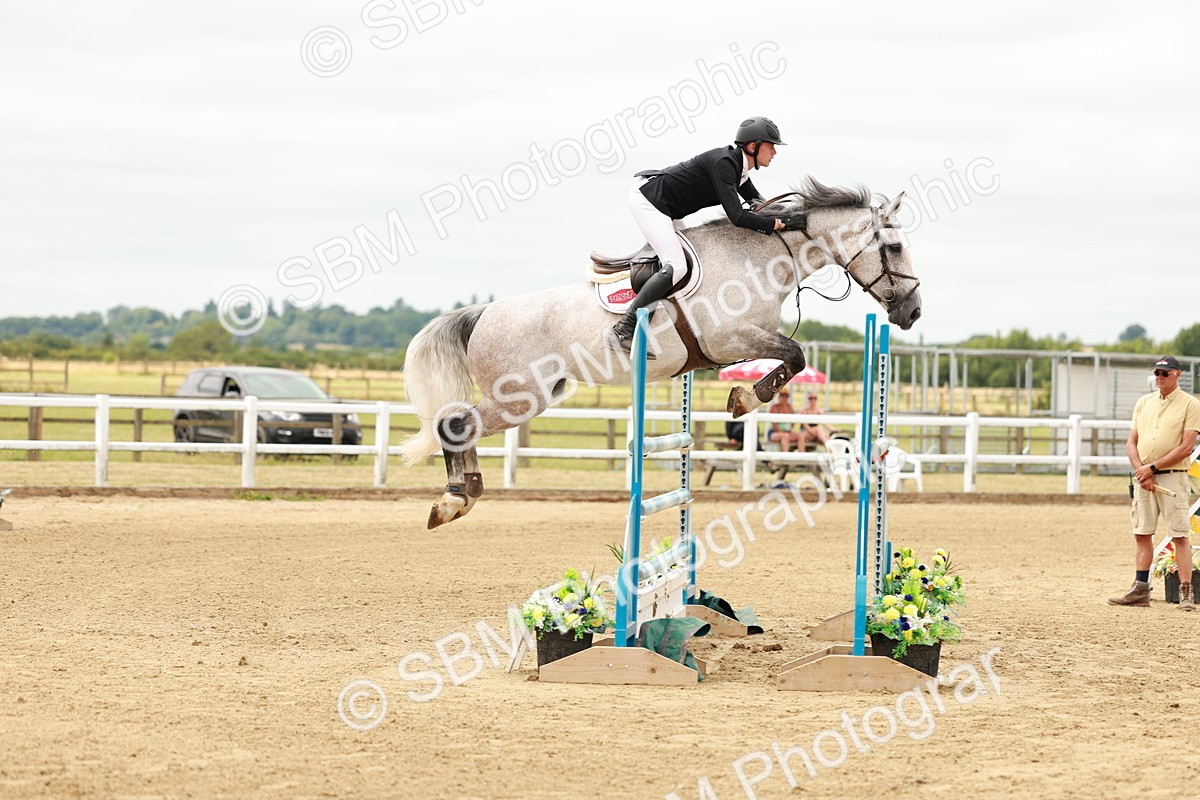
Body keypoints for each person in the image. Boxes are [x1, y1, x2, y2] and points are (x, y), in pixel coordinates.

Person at [607, 116, 800, 358]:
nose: (774, 152)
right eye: (771, 146)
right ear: (753, 146)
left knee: (692, 261)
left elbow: (758, 204)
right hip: (650, 202)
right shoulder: (724, 165)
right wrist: (775, 224)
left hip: (667, 208)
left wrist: (791, 218)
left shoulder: (738, 168)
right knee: (676, 266)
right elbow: (738, 217)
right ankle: (624, 329)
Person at [1108, 355, 1200, 611]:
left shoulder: (1190, 405)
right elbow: (1131, 441)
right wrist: (1141, 471)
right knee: (1142, 532)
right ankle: (1140, 588)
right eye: (1157, 373)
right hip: (1144, 478)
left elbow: (1186, 446)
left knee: (1179, 534)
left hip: (1173, 477)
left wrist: (1152, 468)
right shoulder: (1143, 403)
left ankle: (1185, 593)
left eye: (1165, 374)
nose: (1159, 378)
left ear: (1177, 375)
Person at [767, 388, 807, 452]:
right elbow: (773, 424)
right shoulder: (774, 407)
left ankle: (801, 456)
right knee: (785, 436)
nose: (784, 398)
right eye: (783, 396)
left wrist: (789, 429)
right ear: (779, 397)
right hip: (774, 432)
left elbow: (793, 421)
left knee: (801, 435)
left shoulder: (789, 407)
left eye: (786, 396)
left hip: (787, 432)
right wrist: (782, 432)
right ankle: (785, 457)